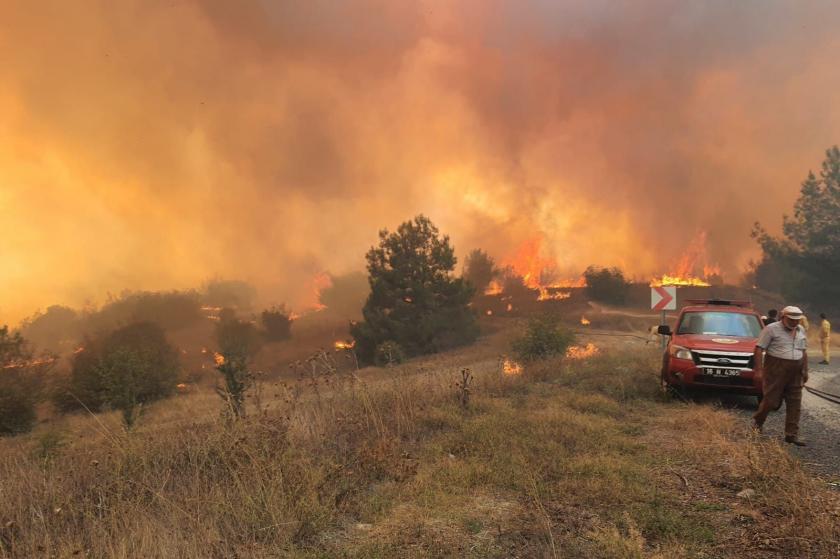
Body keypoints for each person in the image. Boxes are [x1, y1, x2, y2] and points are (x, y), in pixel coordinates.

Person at [752, 306, 809, 446]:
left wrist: (805, 370)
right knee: (771, 401)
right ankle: (758, 423)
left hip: (796, 369)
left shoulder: (801, 330)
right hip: (776, 368)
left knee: (795, 402)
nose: (794, 323)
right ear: (783, 317)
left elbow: (803, 351)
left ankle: (791, 434)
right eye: (791, 319)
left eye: (797, 320)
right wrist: (759, 370)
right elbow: (759, 349)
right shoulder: (771, 329)